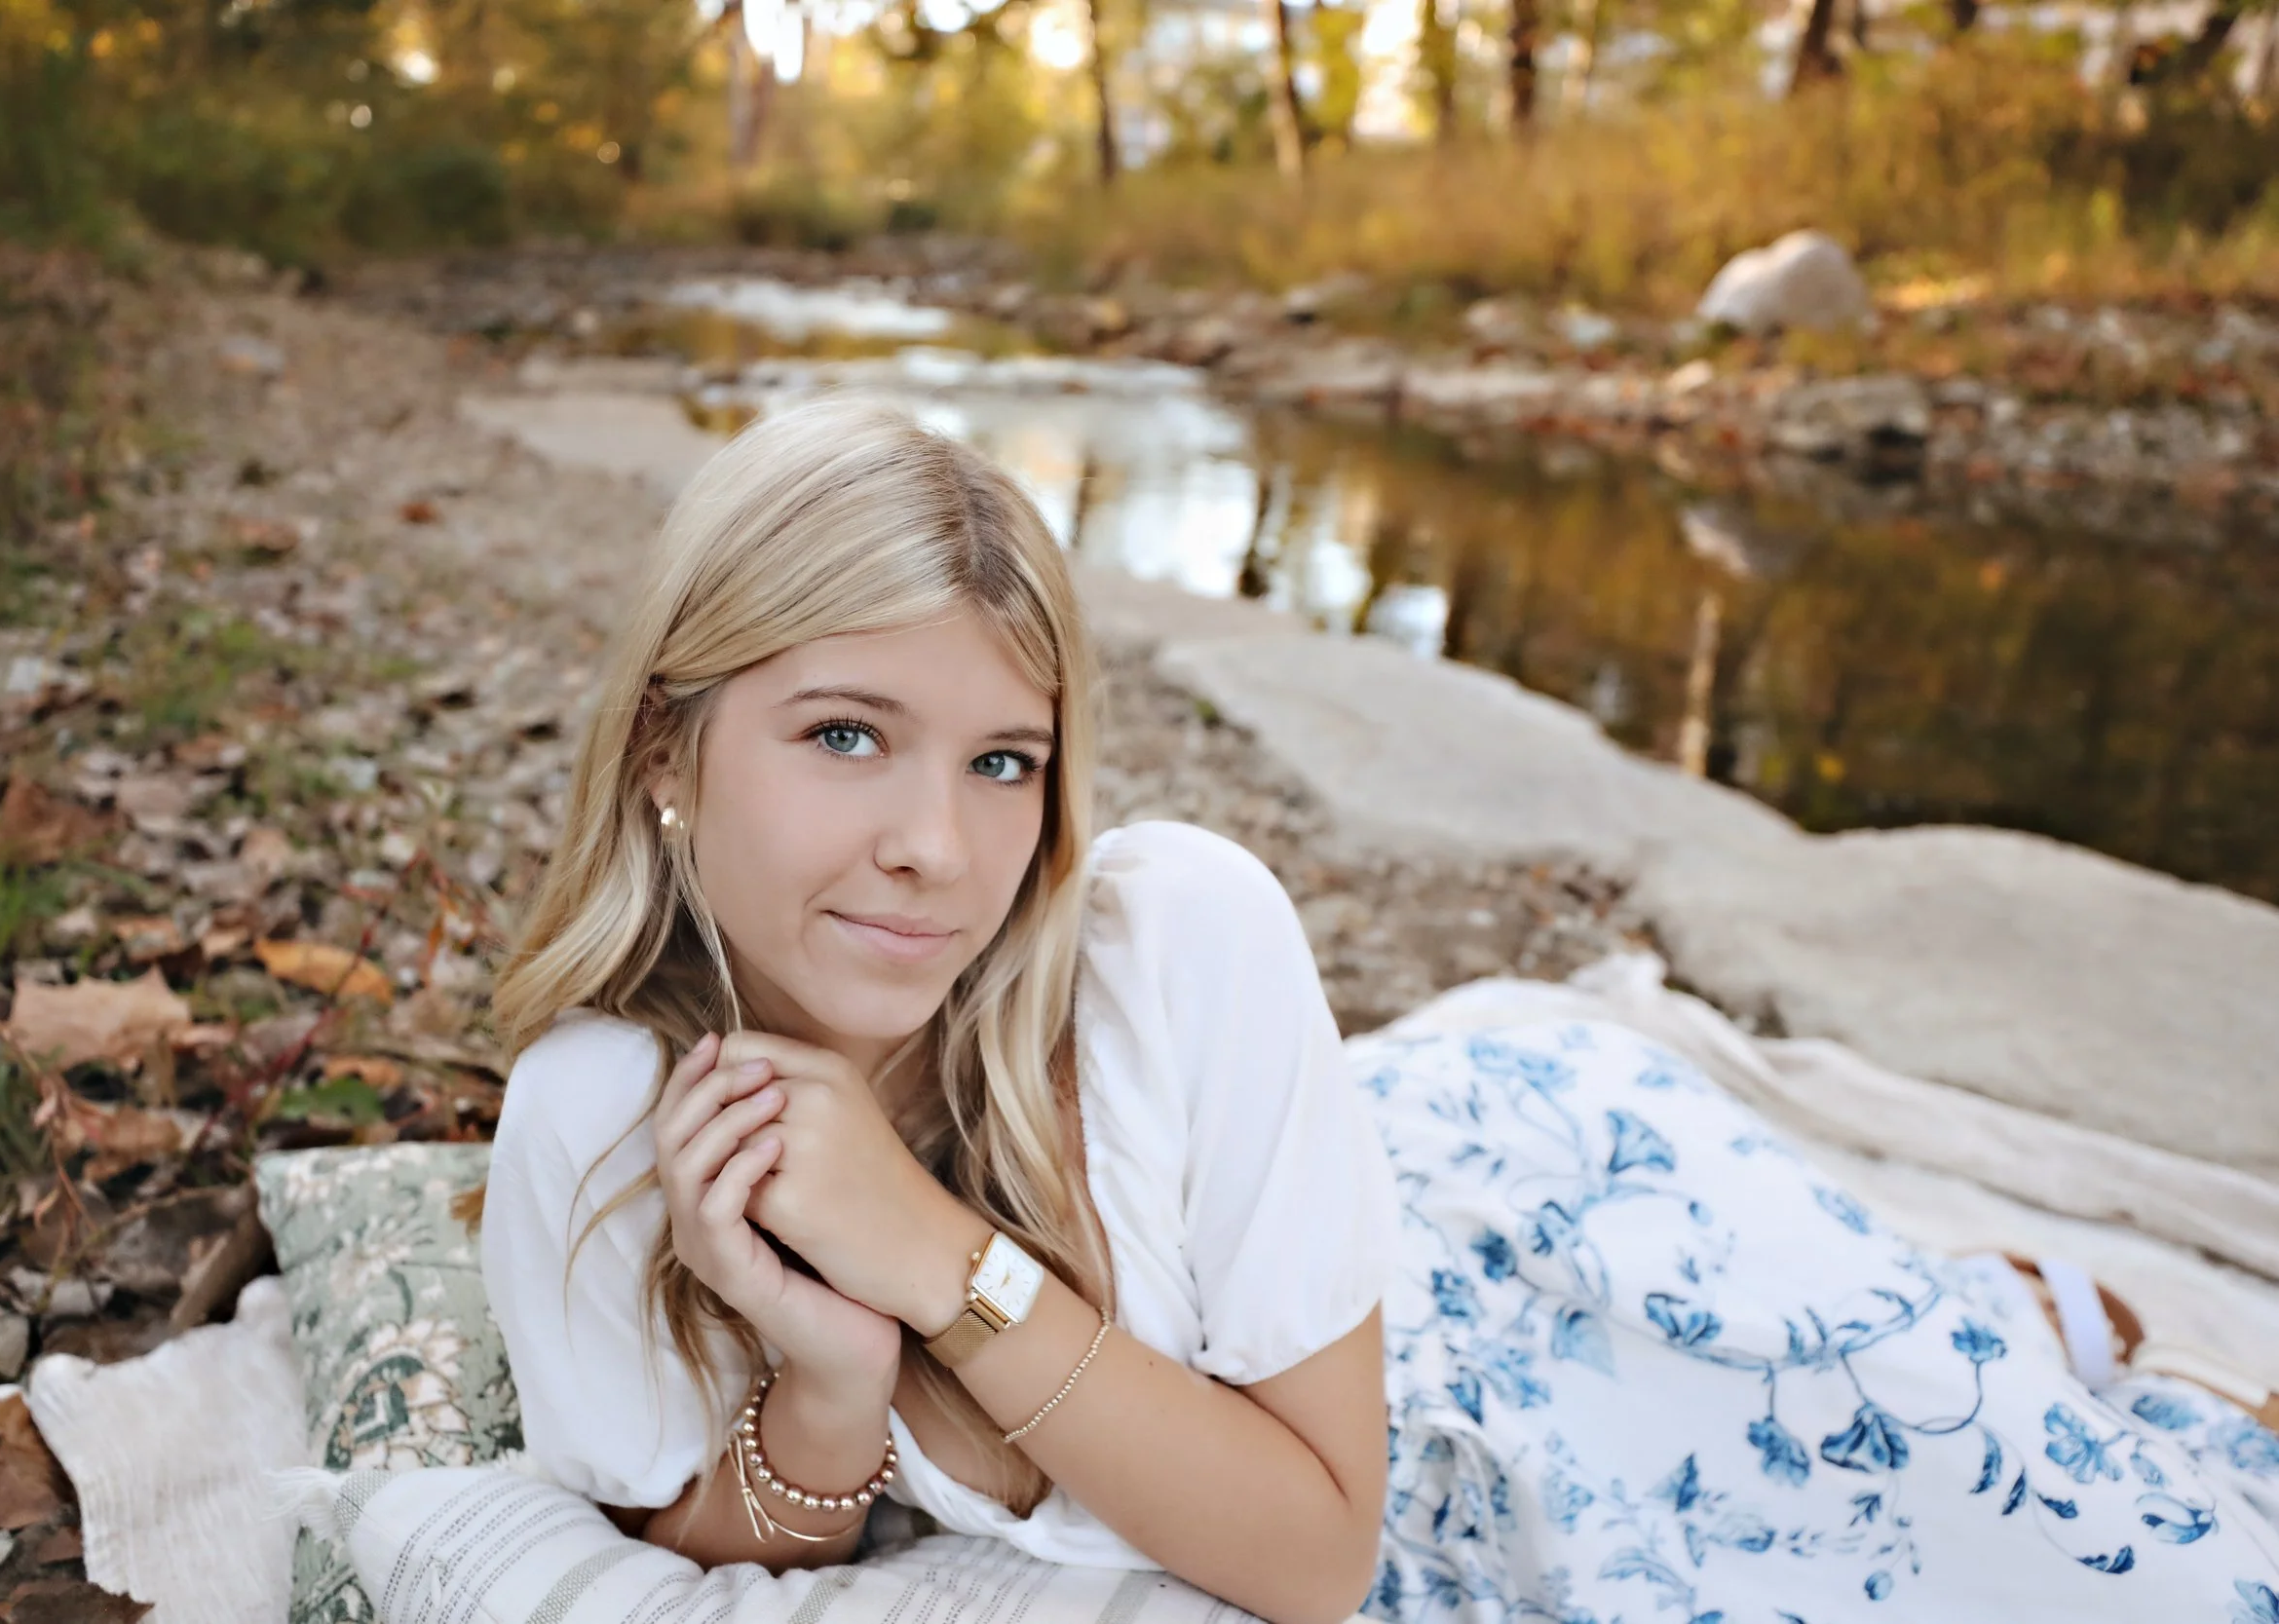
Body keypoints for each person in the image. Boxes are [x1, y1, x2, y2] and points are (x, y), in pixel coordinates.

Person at [480, 396, 2279, 1624]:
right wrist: (828, 1382)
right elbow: (690, 1526)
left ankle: (2010, 1303)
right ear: (667, 745)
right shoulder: (595, 1125)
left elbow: (1319, 1550)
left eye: (1005, 758)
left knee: (2078, 1508)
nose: (937, 851)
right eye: (845, 735)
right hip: (1375, 1233)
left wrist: (936, 1251)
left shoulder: (1173, 926)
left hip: (1521, 1234)